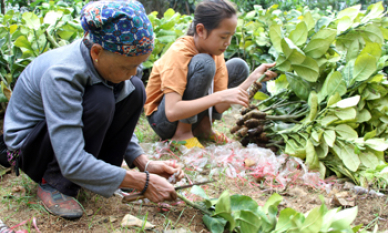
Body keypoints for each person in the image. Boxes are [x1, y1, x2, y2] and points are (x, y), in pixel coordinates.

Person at [2, 1, 183, 219]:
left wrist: (144, 163)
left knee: (134, 90)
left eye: (139, 64)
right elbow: (72, 161)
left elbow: (122, 101)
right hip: (29, 148)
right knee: (101, 99)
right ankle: (52, 183)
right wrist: (140, 182)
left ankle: (101, 174)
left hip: (63, 138)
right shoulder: (63, 75)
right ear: (96, 51)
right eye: (127, 66)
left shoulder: (110, 60)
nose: (133, 71)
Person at [144, 0, 277, 149]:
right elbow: (172, 111)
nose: (227, 43)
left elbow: (219, 107)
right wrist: (219, 96)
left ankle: (204, 129)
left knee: (239, 66)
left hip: (187, 113)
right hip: (164, 121)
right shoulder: (179, 52)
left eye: (231, 36)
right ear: (201, 30)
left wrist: (253, 78)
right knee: (204, 63)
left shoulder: (216, 52)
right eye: (223, 37)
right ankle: (182, 134)